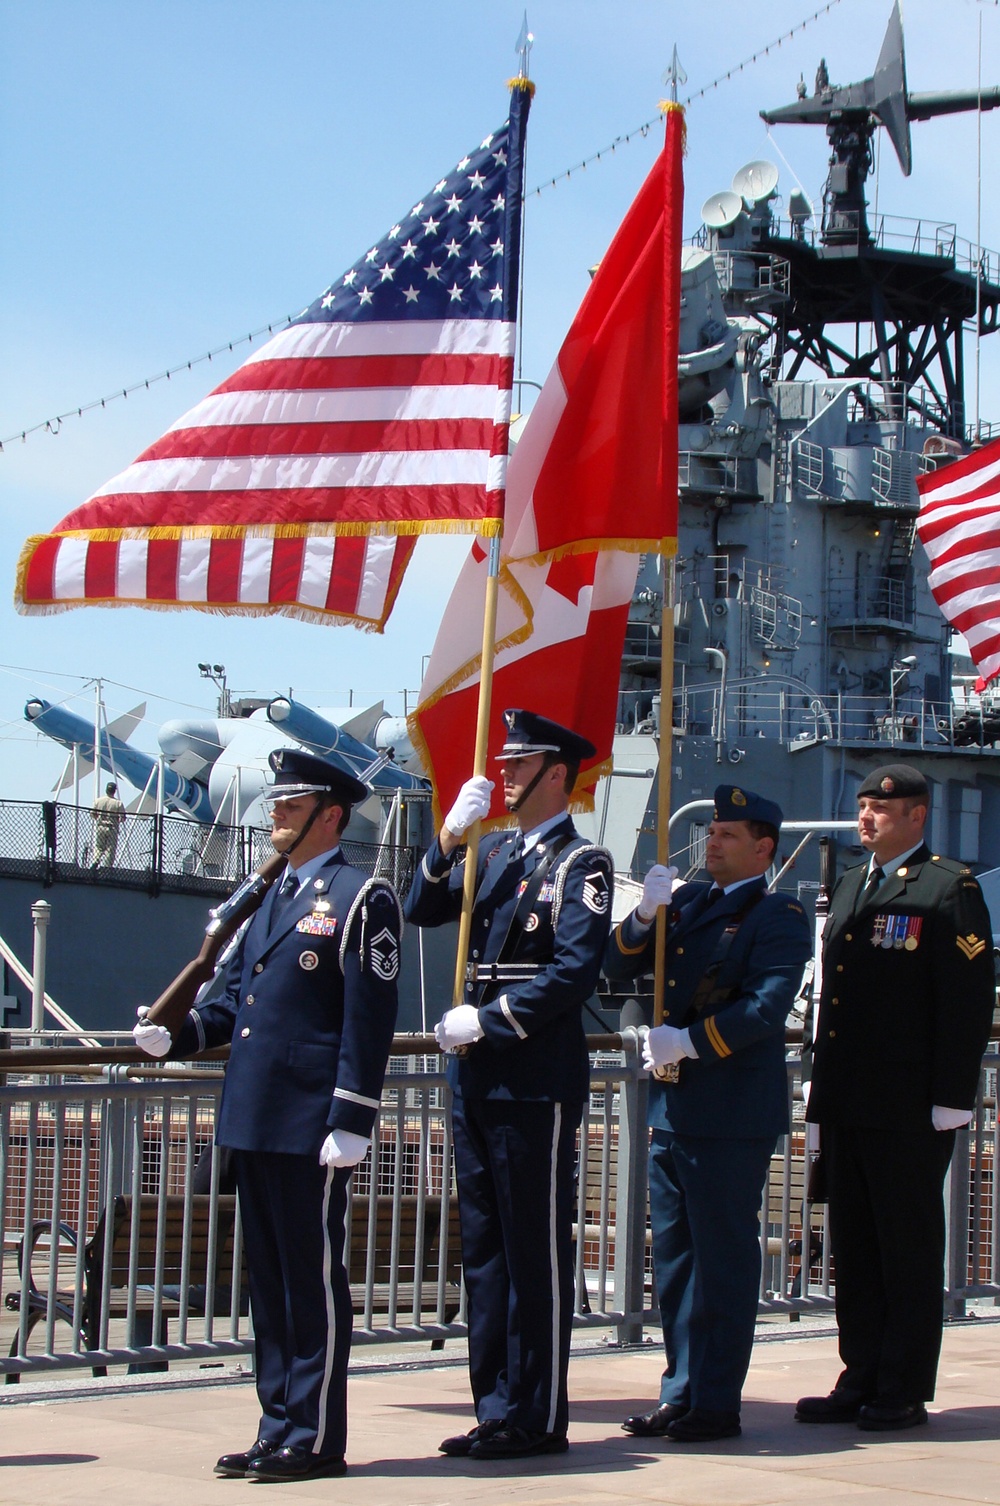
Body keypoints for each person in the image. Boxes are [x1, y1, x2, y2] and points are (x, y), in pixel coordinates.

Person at [134, 749, 401, 1481]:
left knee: (310, 1283)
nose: (275, 815)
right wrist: (179, 1035)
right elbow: (234, 1009)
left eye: (290, 806)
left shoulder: (361, 897)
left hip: (312, 1121)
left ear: (330, 816)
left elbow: (367, 1020)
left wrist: (353, 1115)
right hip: (253, 1113)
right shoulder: (266, 899)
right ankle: (276, 1423)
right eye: (277, 805)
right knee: (270, 1283)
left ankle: (312, 1437)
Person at [404, 709, 614, 1461]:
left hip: (530, 1078)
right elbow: (421, 908)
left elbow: (572, 972)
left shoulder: (580, 864)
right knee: (486, 1251)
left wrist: (488, 1022)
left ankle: (536, 1415)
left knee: (534, 1251)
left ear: (557, 773)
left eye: (520, 765)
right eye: (506, 763)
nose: (505, 774)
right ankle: (495, 1407)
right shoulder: (491, 855)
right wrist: (446, 841)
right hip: (477, 1078)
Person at [604, 784, 812, 1444]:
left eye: (728, 833)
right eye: (713, 829)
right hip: (672, 1107)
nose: (712, 840)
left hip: (728, 1112)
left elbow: (765, 1008)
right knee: (674, 1260)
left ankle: (716, 1400)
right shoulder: (688, 901)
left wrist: (689, 1041)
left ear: (763, 847)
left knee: (721, 1261)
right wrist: (642, 920)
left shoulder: (778, 915)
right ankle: (680, 1389)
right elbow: (613, 969)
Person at [795, 763, 994, 1432]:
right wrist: (821, 1097)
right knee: (853, 1244)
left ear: (916, 815)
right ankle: (861, 1373)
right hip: (849, 1098)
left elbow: (965, 1002)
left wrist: (952, 1097)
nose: (867, 817)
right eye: (863, 805)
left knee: (905, 1245)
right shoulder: (853, 884)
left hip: (910, 1104)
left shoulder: (947, 889)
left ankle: (902, 1386)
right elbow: (837, 1003)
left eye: (883, 807)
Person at [91, 781, 125, 868]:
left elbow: (92, 813)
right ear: (114, 791)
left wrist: (98, 818)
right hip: (112, 827)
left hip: (100, 826)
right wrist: (118, 820)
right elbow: (123, 818)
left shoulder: (98, 801)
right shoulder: (118, 803)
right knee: (110, 849)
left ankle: (95, 861)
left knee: (99, 847)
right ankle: (107, 867)